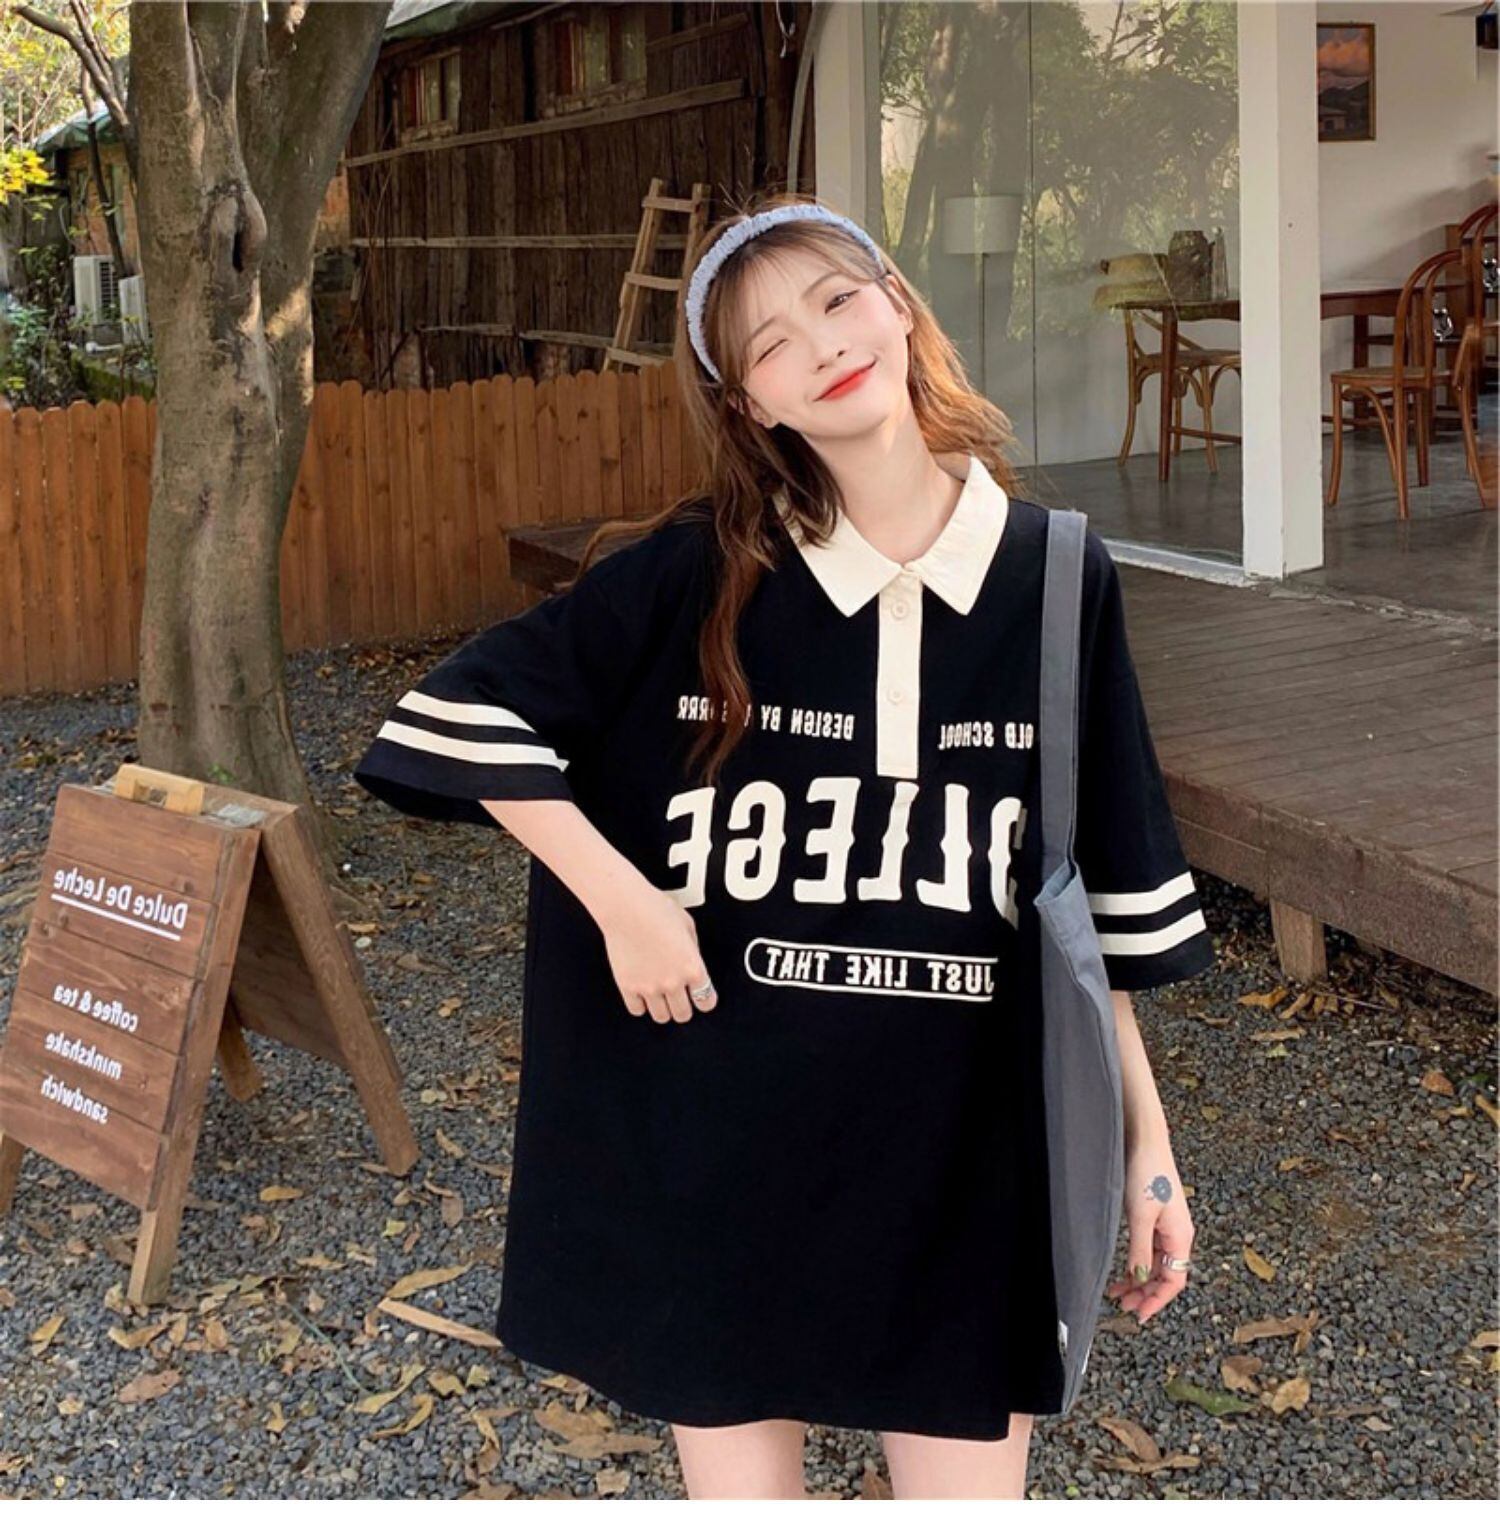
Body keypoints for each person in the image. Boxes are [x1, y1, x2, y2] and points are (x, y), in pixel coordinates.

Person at [352, 191, 1215, 1499]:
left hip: (962, 1168)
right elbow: (452, 716)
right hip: (721, 1159)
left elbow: (1083, 906)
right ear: (749, 404)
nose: (822, 347)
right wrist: (622, 900)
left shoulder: (1055, 578)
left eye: (838, 300)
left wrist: (1145, 1145)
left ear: (898, 307)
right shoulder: (695, 575)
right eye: (770, 344)